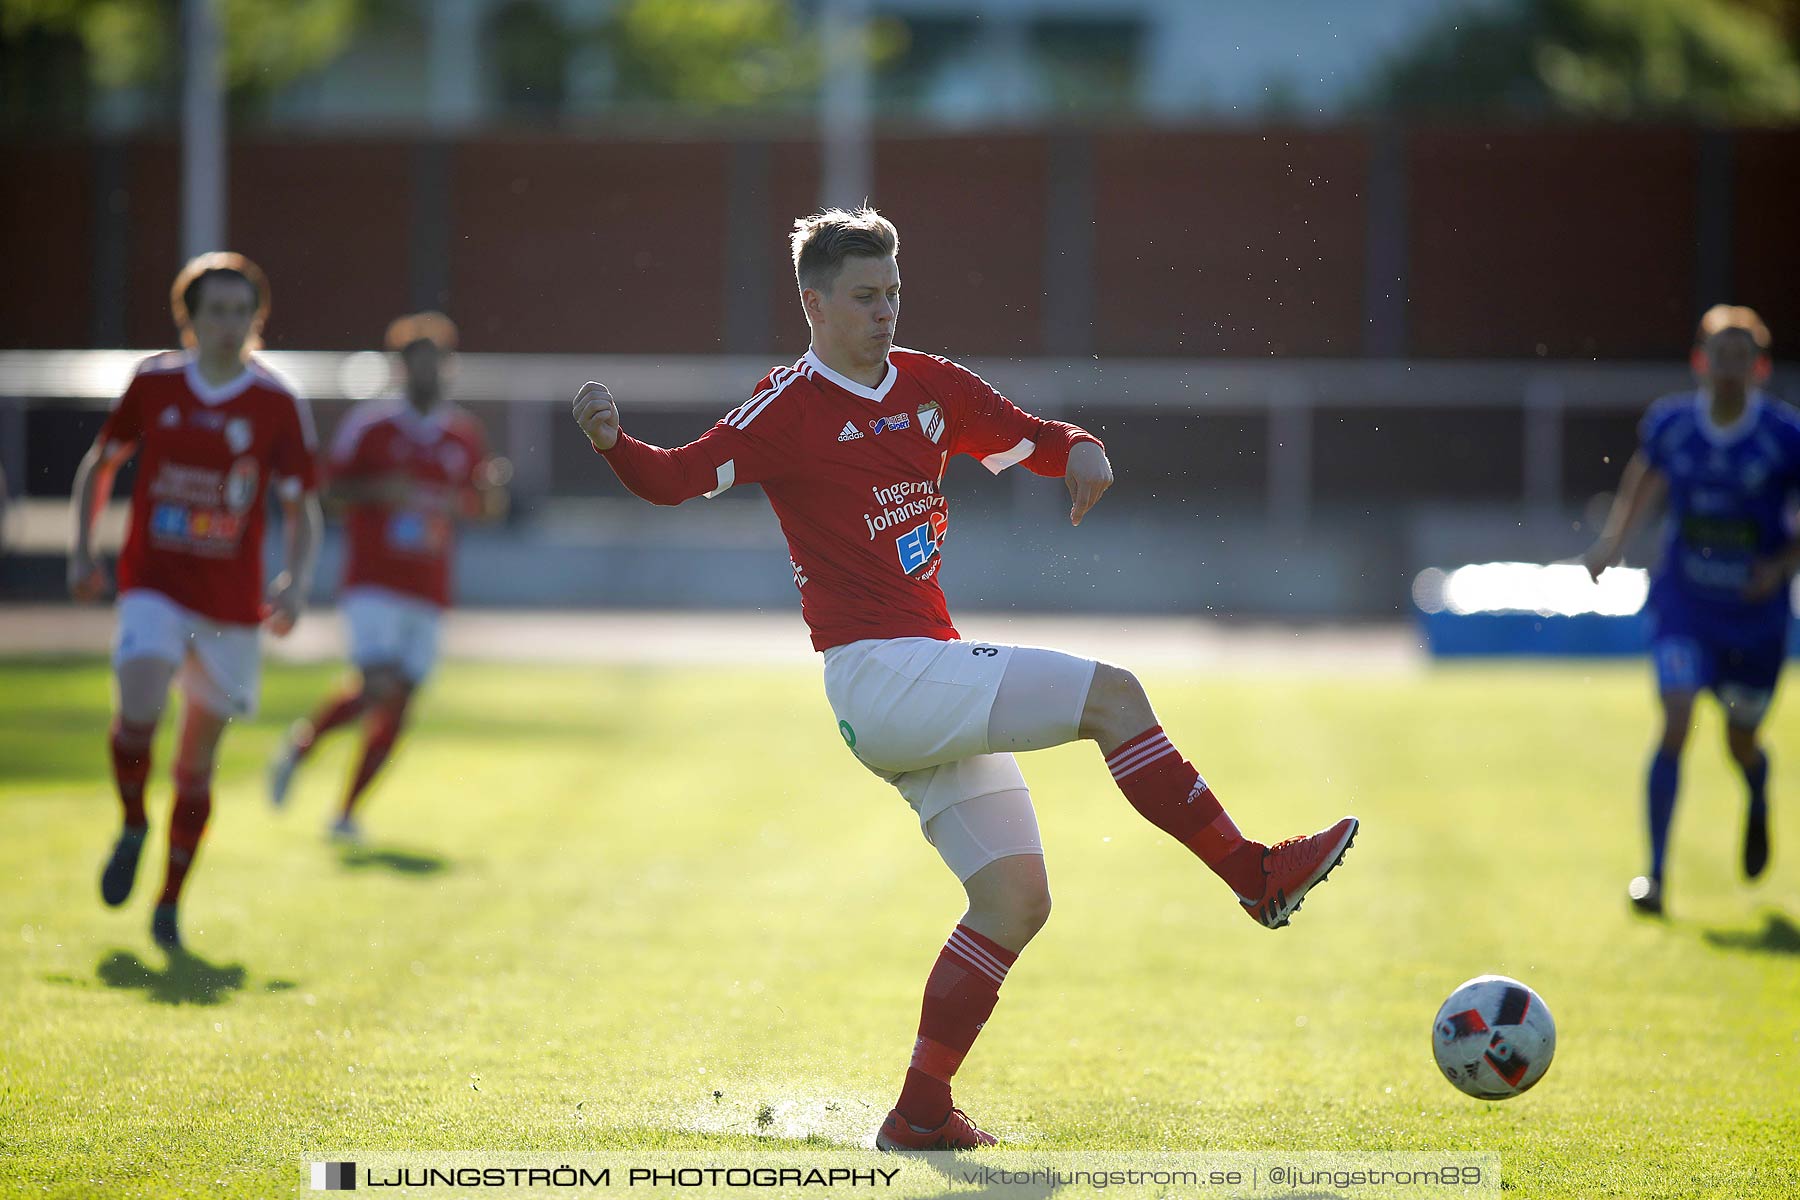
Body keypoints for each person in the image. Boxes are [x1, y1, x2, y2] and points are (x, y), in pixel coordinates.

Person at [570, 208, 1358, 1150]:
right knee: (1116, 695)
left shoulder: (930, 386)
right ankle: (1254, 874)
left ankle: (919, 1114)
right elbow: (676, 478)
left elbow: (1024, 435)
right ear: (814, 306)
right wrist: (615, 442)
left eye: (894, 292)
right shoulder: (786, 409)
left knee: (1017, 900)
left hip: (922, 671)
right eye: (865, 297)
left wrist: (1079, 449)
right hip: (877, 675)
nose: (885, 312)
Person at [67, 252, 321, 951]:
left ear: (256, 320)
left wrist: (295, 582)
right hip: (154, 583)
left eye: (242, 311)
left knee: (196, 763)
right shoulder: (154, 384)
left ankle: (169, 902)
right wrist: (82, 550)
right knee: (140, 702)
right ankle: (131, 823)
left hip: (230, 608)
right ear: (190, 318)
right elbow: (102, 462)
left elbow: (304, 508)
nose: (229, 324)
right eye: (216, 311)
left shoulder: (275, 403)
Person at [1586, 305, 1799, 917]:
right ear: (1700, 362)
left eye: (1742, 357)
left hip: (1754, 618)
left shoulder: (1785, 437)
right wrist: (1612, 545)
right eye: (1720, 355)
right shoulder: (1673, 424)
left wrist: (1781, 565)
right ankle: (1654, 876)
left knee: (1740, 741)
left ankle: (1757, 789)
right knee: (1675, 721)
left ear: (1759, 368)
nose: (1729, 368)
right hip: (1686, 605)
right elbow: (1645, 479)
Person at [268, 312, 508, 841]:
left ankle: (345, 811)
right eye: (419, 363)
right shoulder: (372, 427)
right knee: (378, 684)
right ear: (401, 369)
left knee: (398, 702)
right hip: (373, 581)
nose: (430, 374)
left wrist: (489, 493)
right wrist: (382, 490)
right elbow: (329, 494)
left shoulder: (462, 433)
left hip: (428, 586)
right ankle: (301, 749)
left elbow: (483, 507)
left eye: (438, 364)